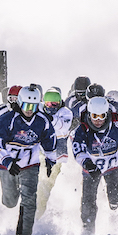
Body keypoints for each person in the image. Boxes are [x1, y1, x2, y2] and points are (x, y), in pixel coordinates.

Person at [0, 85, 58, 235]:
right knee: (11, 201)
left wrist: (50, 159)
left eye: (33, 107)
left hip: (30, 164)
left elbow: (50, 140)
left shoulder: (42, 121)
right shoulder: (9, 119)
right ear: (20, 103)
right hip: (8, 163)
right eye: (27, 106)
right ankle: (8, 198)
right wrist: (7, 161)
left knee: (29, 200)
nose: (29, 110)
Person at [68, 96, 118, 235]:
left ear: (107, 114)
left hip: (113, 166)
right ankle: (87, 228)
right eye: (94, 116)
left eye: (102, 116)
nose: (98, 120)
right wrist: (87, 164)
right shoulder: (82, 129)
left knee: (116, 198)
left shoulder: (116, 122)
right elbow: (77, 149)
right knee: (88, 200)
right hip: (92, 168)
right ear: (89, 114)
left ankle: (115, 210)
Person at [36, 88, 74, 217]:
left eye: (54, 104)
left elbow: (61, 126)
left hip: (57, 156)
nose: (51, 107)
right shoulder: (40, 110)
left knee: (45, 185)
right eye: (48, 104)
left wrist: (47, 117)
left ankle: (37, 215)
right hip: (40, 152)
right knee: (34, 183)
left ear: (59, 103)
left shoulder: (66, 113)